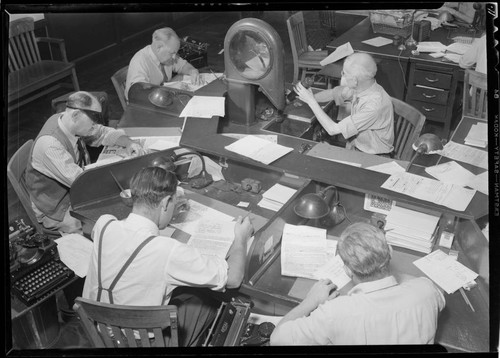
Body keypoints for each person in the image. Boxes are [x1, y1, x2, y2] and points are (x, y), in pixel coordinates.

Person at [82, 166, 253, 347]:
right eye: (171, 203)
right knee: (206, 298)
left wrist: (163, 215)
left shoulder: (104, 224)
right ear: (165, 203)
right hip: (143, 343)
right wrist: (240, 237)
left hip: (101, 335)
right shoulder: (168, 251)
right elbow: (233, 279)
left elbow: (130, 231)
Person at [270, 222, 445, 345]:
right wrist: (382, 264)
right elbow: (436, 296)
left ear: (347, 270)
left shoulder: (335, 313)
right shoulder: (426, 290)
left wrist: (311, 300)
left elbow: (277, 339)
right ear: (390, 252)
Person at [25, 91, 145, 234]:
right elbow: (82, 183)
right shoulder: (50, 145)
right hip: (58, 208)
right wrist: (121, 168)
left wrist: (128, 143)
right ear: (75, 115)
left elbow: (101, 132)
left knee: (117, 205)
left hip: (75, 188)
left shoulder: (68, 121)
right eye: (93, 120)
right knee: (106, 227)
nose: (95, 124)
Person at [294, 53, 394, 156]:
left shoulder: (374, 106)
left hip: (374, 157)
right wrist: (306, 98)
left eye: (344, 73)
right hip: (357, 146)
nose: (342, 75)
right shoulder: (363, 87)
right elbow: (333, 93)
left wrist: (311, 102)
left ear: (355, 80)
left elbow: (332, 129)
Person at [125, 27, 203, 102]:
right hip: (145, 105)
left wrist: (192, 71)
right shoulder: (140, 61)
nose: (174, 57)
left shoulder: (167, 56)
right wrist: (170, 88)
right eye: (172, 53)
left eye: (175, 53)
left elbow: (183, 66)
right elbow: (139, 95)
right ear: (158, 47)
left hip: (164, 98)